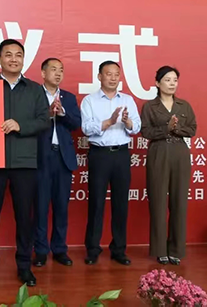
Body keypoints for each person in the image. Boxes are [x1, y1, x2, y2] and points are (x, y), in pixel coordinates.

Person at [0, 39, 50, 288]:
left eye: (18, 55)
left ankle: (24, 266)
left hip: (24, 162)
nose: (13, 59)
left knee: (24, 218)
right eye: (8, 55)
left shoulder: (35, 89)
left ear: (23, 59)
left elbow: (44, 120)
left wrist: (21, 126)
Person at [81, 60, 140, 266]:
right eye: (109, 74)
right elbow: (86, 128)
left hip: (121, 155)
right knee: (96, 203)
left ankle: (119, 250)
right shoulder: (89, 101)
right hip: (100, 155)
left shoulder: (128, 100)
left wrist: (127, 122)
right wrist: (108, 122)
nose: (113, 78)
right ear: (99, 77)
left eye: (116, 74)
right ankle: (92, 249)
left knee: (121, 203)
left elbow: (137, 127)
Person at [141, 66, 196, 266]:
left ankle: (176, 249)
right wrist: (166, 128)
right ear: (157, 83)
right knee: (157, 202)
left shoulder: (184, 106)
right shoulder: (149, 106)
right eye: (167, 80)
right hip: (159, 152)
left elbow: (192, 129)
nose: (172, 83)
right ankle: (159, 250)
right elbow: (145, 132)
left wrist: (177, 128)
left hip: (180, 153)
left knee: (179, 202)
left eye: (175, 80)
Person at [32, 58, 81, 268]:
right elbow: (30, 122)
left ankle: (59, 249)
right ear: (43, 73)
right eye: (53, 70)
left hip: (63, 157)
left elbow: (77, 124)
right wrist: (47, 113)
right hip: (41, 157)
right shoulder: (34, 95)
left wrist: (62, 113)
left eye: (61, 70)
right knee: (40, 206)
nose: (58, 73)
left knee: (61, 206)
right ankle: (41, 250)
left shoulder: (68, 97)